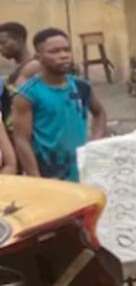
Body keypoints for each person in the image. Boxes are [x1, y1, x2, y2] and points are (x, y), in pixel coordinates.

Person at [10, 28, 106, 181]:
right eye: (54, 51)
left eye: (66, 50)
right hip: (50, 174)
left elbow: (99, 112)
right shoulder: (27, 94)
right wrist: (36, 177)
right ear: (39, 57)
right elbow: (21, 139)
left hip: (83, 171)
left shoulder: (82, 86)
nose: (63, 55)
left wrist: (95, 142)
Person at [0, 22, 41, 90]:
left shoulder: (34, 66)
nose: (0, 48)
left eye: (3, 42)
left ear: (19, 41)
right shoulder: (19, 67)